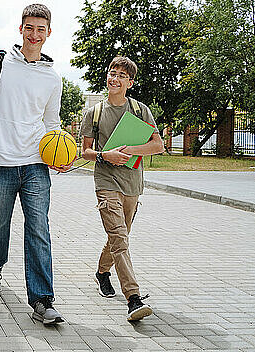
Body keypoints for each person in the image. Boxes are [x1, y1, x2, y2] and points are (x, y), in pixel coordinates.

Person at [0, 4, 71, 325]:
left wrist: (61, 155)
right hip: (0, 161)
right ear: (21, 29)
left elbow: (52, 122)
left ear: (49, 33)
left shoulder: (53, 77)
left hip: (36, 165)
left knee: (38, 227)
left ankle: (42, 299)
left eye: (41, 29)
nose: (35, 34)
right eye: (30, 27)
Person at [79, 56, 164, 321]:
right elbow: (86, 152)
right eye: (111, 73)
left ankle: (102, 272)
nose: (114, 79)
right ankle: (133, 298)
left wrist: (129, 150)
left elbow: (158, 145)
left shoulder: (140, 111)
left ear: (130, 82)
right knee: (119, 237)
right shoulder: (95, 113)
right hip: (106, 181)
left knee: (119, 236)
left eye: (121, 76)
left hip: (132, 184)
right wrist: (106, 155)